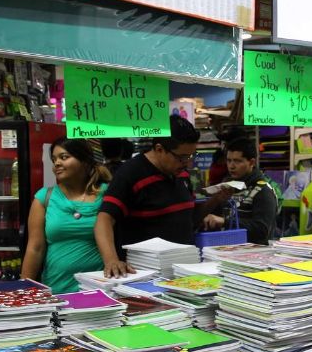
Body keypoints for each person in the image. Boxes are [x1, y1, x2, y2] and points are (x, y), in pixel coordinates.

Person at [95, 115, 230, 278]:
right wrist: (111, 260)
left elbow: (189, 219)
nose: (187, 163)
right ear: (159, 149)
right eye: (181, 157)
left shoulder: (182, 175)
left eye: (191, 156)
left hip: (182, 271)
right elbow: (104, 219)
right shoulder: (130, 174)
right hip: (144, 274)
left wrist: (215, 200)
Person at [21, 138, 112, 294]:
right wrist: (24, 290)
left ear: (84, 161)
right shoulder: (44, 198)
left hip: (102, 289)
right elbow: (35, 248)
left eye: (64, 157)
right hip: (57, 290)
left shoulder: (107, 193)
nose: (56, 163)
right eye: (54, 159)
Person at [203, 138, 278, 245]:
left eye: (238, 161)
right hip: (225, 249)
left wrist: (225, 222)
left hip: (255, 254)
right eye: (229, 161)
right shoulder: (226, 187)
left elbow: (262, 229)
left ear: (251, 162)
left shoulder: (263, 190)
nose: (231, 166)